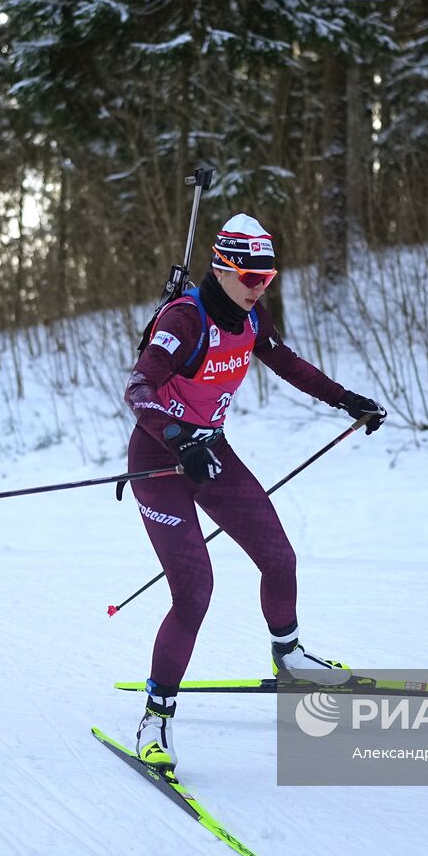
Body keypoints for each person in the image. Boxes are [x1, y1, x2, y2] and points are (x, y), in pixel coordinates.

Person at [122, 213, 386, 769]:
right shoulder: (184, 321)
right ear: (222, 267)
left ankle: (289, 660)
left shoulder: (248, 318)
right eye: (250, 277)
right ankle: (156, 718)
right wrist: (176, 436)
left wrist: (345, 399)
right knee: (194, 592)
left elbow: (286, 362)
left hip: (209, 451)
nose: (259, 286)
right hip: (158, 460)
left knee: (279, 557)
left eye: (269, 277)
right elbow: (139, 386)